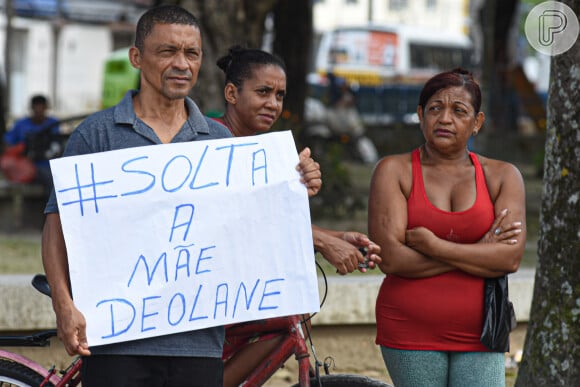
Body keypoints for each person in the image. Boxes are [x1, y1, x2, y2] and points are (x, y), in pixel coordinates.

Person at [41, 6, 320, 387]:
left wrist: (297, 183)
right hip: (115, 343)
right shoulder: (97, 135)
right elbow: (56, 226)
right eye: (167, 51)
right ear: (137, 57)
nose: (182, 64)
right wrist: (63, 303)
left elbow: (253, 226)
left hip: (199, 345)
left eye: (192, 53)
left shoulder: (219, 142)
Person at [213, 45, 382, 387]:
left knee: (289, 316)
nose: (273, 103)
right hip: (208, 290)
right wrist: (321, 241)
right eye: (263, 92)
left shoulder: (263, 152)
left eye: (279, 95)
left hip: (236, 285)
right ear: (232, 92)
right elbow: (235, 220)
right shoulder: (211, 140)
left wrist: (336, 237)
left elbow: (270, 220)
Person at [368, 68, 526, 386]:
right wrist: (479, 251)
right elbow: (391, 259)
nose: (445, 119)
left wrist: (433, 245)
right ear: (420, 115)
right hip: (410, 329)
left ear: (477, 122)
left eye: (459, 110)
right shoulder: (394, 170)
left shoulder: (502, 176)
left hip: (481, 332)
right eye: (435, 108)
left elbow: (508, 259)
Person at [4, 94, 60, 192]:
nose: (38, 110)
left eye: (41, 106)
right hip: (26, 165)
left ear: (46, 107)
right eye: (36, 106)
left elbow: (58, 145)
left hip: (47, 165)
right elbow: (8, 143)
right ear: (31, 107)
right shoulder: (21, 124)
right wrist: (19, 153)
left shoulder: (53, 123)